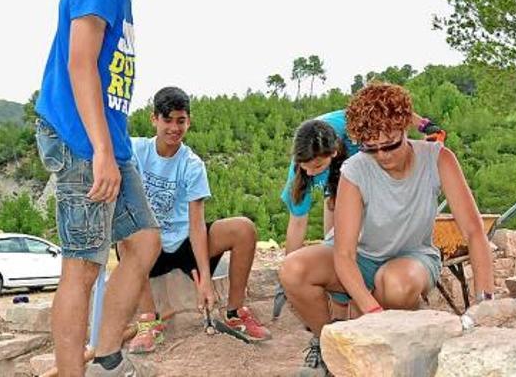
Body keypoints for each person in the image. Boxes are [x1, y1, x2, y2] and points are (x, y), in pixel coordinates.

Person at [33, 0, 187, 377]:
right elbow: (80, 65)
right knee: (82, 267)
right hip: (83, 141)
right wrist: (99, 149)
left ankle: (105, 358)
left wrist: (112, 147)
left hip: (109, 143)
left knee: (144, 244)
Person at [279, 83, 493, 376]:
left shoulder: (438, 159)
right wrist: (373, 314)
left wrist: (485, 303)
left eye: (390, 145)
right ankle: (332, 347)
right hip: (360, 257)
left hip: (411, 256)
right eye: (371, 147)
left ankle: (389, 356)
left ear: (405, 128)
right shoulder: (355, 169)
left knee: (396, 283)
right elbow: (344, 253)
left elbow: (473, 232)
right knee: (293, 269)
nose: (382, 155)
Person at [120, 87, 272, 354]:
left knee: (244, 229)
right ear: (154, 119)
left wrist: (204, 278)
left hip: (184, 243)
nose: (174, 128)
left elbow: (196, 224)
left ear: (188, 121)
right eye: (167, 120)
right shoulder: (134, 150)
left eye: (181, 121)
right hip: (148, 245)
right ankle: (148, 321)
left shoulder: (192, 164)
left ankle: (235, 312)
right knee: (125, 236)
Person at [273, 109, 443, 318]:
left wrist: (424, 125)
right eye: (305, 167)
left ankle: (371, 302)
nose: (310, 172)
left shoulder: (354, 131)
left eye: (316, 166)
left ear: (333, 152)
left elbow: (388, 109)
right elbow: (298, 222)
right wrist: (288, 282)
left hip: (367, 182)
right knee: (336, 228)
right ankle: (335, 324)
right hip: (338, 181)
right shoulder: (303, 167)